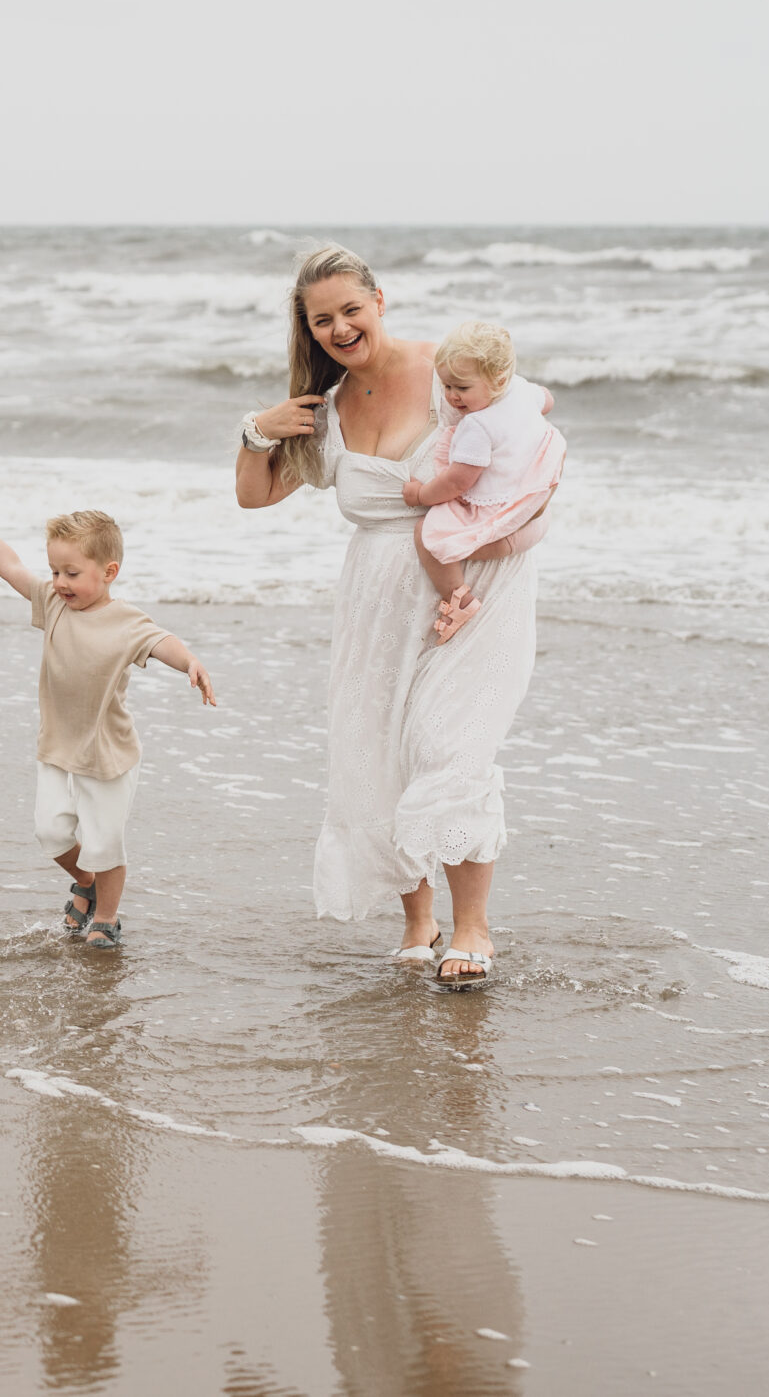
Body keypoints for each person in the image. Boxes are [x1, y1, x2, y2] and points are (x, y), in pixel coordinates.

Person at [233, 245, 558, 991]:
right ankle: (420, 922)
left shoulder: (447, 373)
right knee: (380, 756)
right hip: (377, 600)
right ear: (309, 330)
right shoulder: (326, 409)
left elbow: (540, 447)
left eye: (352, 308)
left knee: (449, 746)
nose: (341, 327)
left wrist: (510, 536)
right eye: (323, 320)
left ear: (381, 300)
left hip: (470, 586)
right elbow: (254, 495)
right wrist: (258, 427)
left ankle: (472, 925)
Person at [0, 508, 216, 949]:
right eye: (55, 571)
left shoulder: (126, 620)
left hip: (106, 756)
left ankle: (106, 918)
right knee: (50, 832)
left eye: (72, 573)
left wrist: (190, 663)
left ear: (109, 572)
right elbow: (10, 568)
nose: (60, 582)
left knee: (104, 844)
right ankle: (86, 882)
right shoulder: (52, 602)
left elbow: (162, 642)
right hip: (57, 747)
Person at [401, 321, 566, 643]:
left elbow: (457, 482)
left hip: (502, 526)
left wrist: (420, 494)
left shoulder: (478, 426)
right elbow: (547, 400)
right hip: (535, 515)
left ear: (498, 379)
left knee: (428, 536)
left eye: (461, 388)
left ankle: (458, 598)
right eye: (446, 386)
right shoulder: (520, 390)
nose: (451, 397)